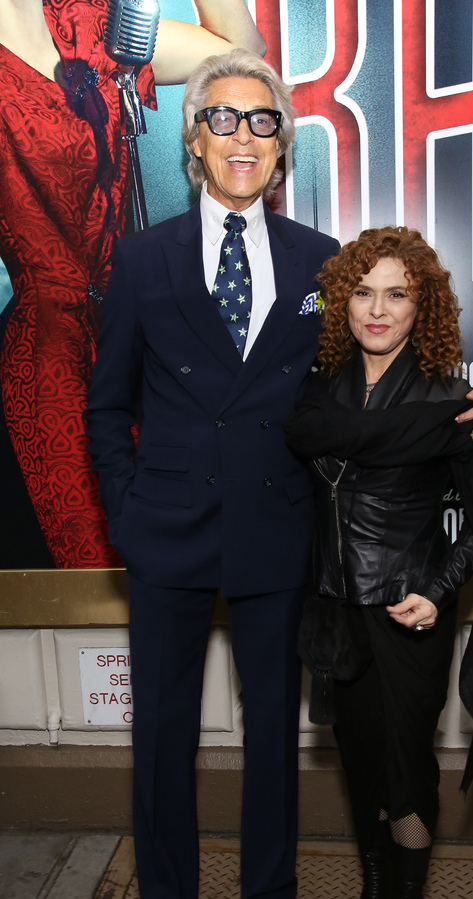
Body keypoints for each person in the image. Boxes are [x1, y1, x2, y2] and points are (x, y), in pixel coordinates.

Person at [84, 52, 473, 899]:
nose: (244, 136)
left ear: (282, 148)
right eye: (224, 119)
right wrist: (125, 512)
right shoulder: (141, 260)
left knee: (274, 735)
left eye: (263, 121)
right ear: (194, 141)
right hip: (167, 535)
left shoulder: (323, 265)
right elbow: (106, 404)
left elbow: (373, 360)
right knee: (161, 743)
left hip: (281, 537)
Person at [285, 226, 473, 899]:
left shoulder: (447, 397)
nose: (378, 308)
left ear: (420, 304)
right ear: (342, 303)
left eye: (397, 293)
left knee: (407, 772)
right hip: (332, 610)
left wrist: (439, 587)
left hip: (407, 617)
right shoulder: (319, 390)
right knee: (358, 767)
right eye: (362, 292)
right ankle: (369, 893)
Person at [0, 0, 264, 567]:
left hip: (141, 343)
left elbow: (241, 59)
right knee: (90, 574)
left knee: (188, 560)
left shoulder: (88, 24)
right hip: (50, 354)